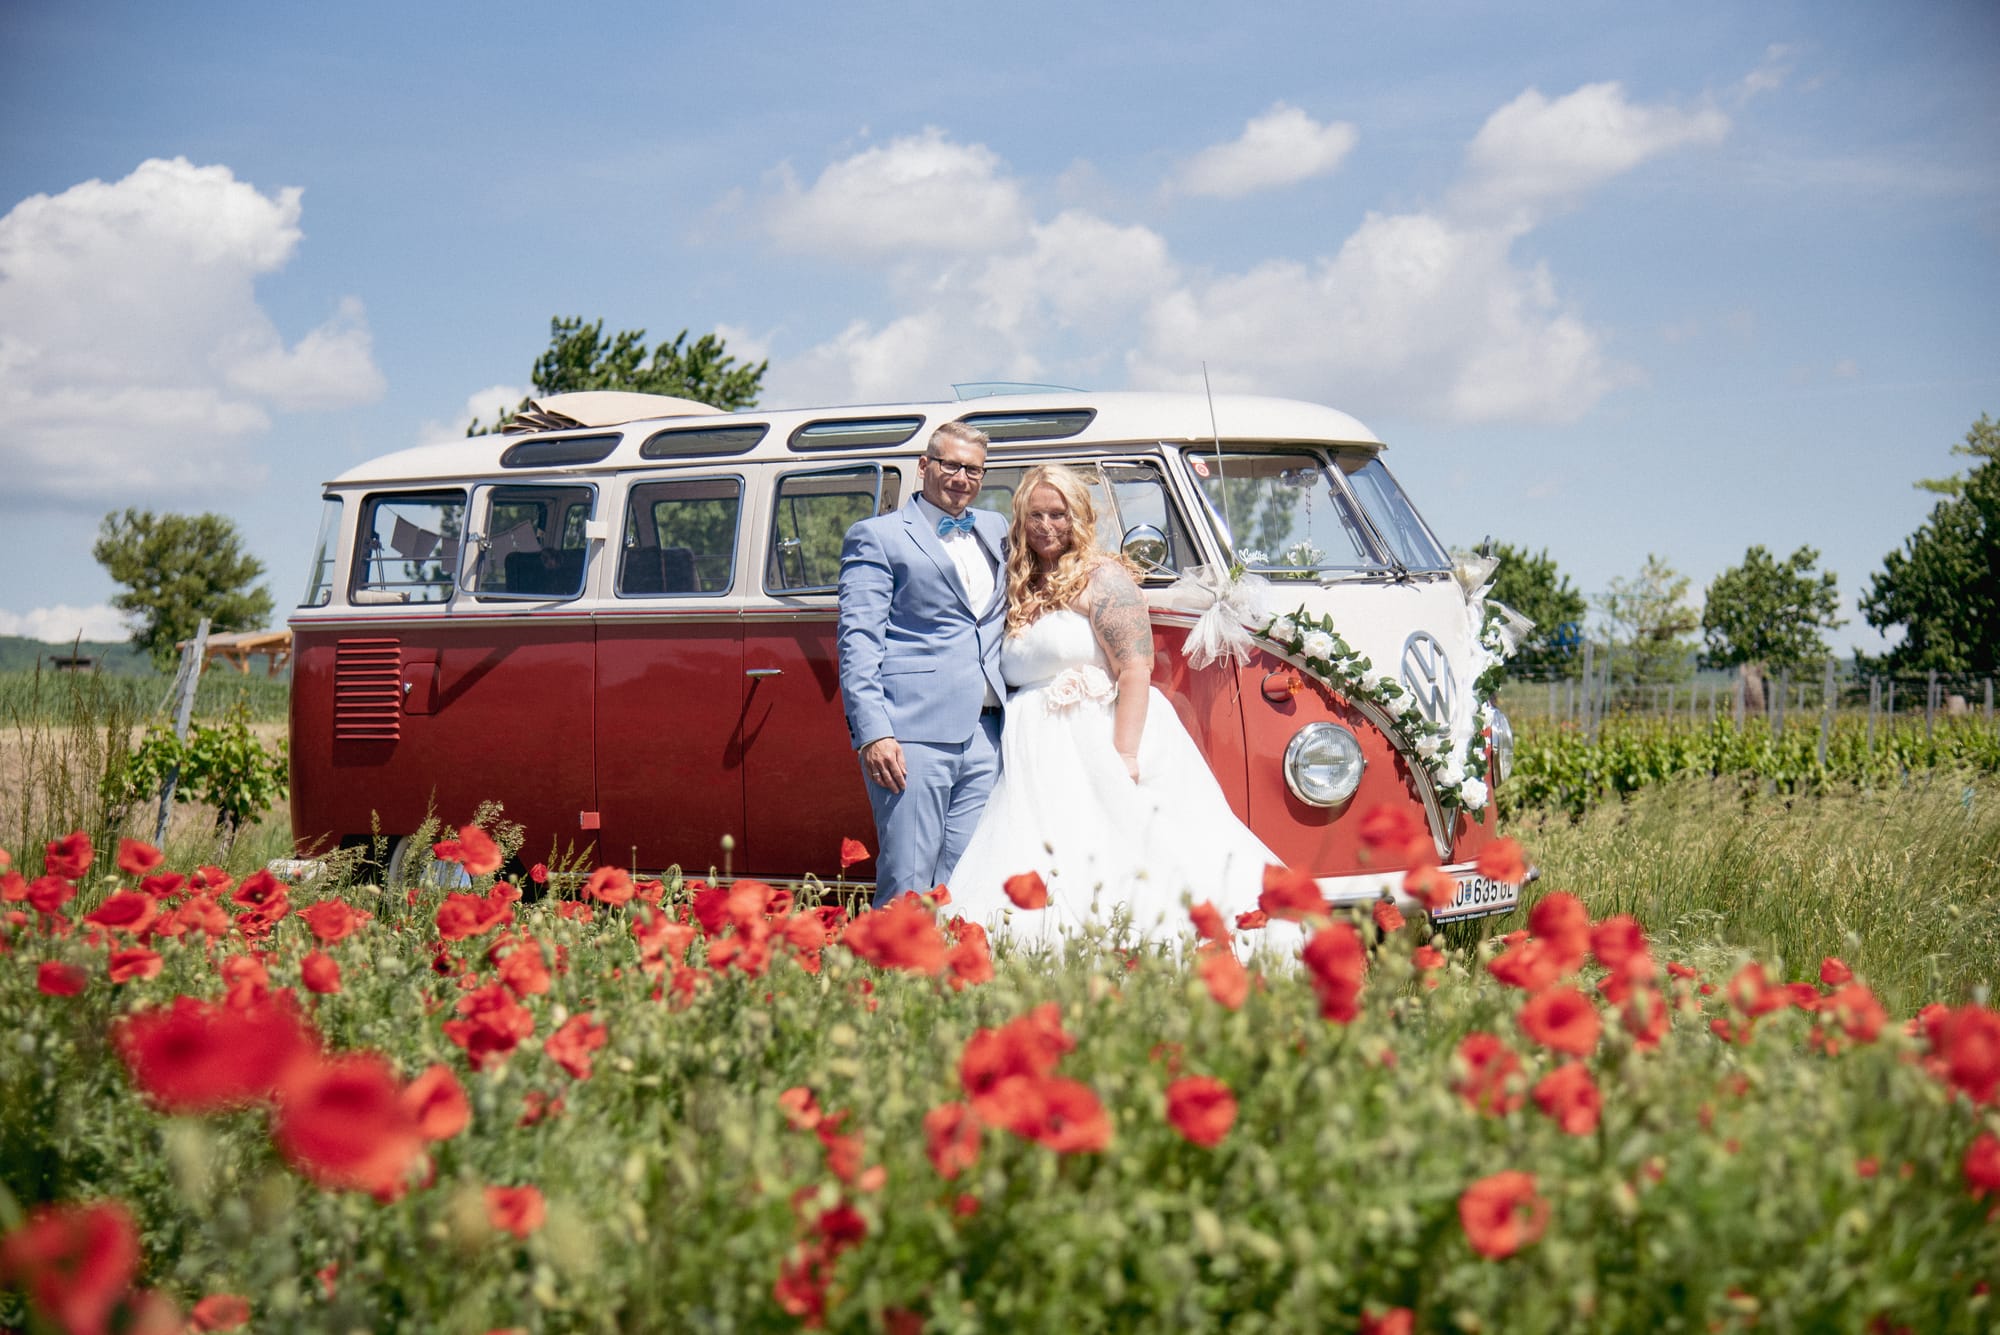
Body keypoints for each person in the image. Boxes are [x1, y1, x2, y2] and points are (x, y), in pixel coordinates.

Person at [944, 463, 1289, 947]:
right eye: (1035, 515)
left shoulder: (1102, 578)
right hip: (1035, 756)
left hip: (1099, 739)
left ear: (1079, 515)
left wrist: (1124, 755)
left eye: (1059, 514)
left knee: (1128, 852)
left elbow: (1135, 669)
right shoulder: (1021, 584)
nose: (1046, 526)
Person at [837, 422, 1009, 908]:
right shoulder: (877, 536)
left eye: (972, 470)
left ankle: (949, 979)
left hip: (988, 733)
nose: (960, 478)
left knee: (967, 877)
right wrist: (873, 733)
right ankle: (890, 981)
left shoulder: (995, 530)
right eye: (950, 465)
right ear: (924, 466)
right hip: (910, 733)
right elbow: (858, 641)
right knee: (908, 876)